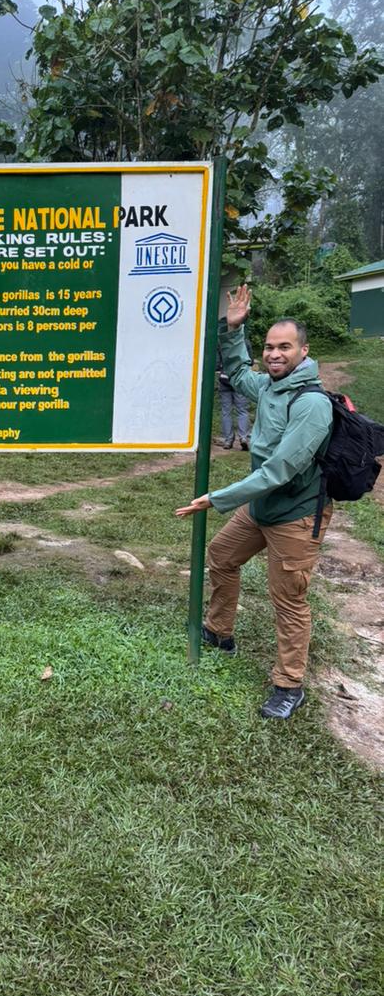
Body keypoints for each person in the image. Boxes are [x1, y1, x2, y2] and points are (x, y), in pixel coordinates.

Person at [175, 284, 333, 719]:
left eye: (285, 347)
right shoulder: (269, 387)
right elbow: (238, 371)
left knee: (288, 599)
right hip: (261, 507)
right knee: (222, 555)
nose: (274, 354)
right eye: (269, 346)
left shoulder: (313, 404)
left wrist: (217, 498)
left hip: (296, 515)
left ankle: (288, 684)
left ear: (304, 351)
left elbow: (279, 470)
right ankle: (219, 631)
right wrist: (233, 330)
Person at [216, 334, 251, 450]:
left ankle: (228, 440)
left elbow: (216, 364)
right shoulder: (244, 342)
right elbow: (249, 361)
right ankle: (244, 437)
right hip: (239, 380)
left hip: (224, 380)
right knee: (242, 410)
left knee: (226, 411)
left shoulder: (221, 342)